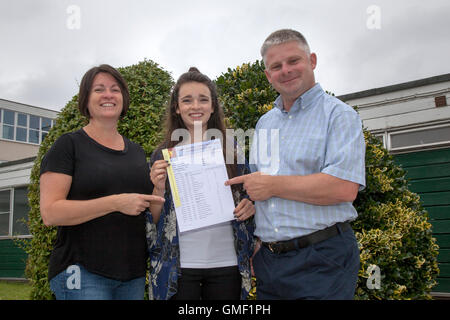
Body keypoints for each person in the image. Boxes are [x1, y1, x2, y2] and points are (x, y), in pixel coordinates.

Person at [225, 29, 366, 299]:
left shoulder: (339, 116)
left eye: (294, 61)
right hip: (270, 262)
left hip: (324, 258)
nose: (285, 70)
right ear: (268, 75)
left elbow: (343, 188)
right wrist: (255, 221)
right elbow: (261, 189)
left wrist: (272, 186)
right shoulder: (265, 123)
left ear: (312, 60)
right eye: (276, 66)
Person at [39, 64, 165, 300]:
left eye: (115, 89)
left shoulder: (137, 152)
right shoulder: (68, 146)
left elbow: (152, 215)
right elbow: (51, 213)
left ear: (123, 99)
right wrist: (116, 203)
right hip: (81, 272)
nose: (108, 95)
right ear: (86, 100)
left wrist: (158, 189)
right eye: (99, 89)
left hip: (132, 275)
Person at [146, 67, 255, 300]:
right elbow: (153, 219)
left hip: (227, 264)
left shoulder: (232, 151)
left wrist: (250, 206)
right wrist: (158, 188)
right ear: (177, 107)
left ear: (213, 106)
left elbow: (251, 196)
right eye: (187, 100)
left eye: (203, 99)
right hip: (179, 268)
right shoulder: (162, 155)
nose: (195, 106)